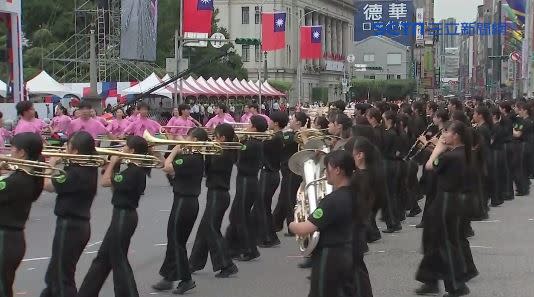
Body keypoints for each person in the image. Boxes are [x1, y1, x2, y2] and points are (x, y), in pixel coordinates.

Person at [78, 136, 149, 297]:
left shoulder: (134, 171)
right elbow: (115, 188)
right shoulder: (132, 169)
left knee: (119, 260)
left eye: (125, 147)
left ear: (131, 151)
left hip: (124, 216)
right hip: (122, 214)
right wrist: (111, 165)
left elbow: (104, 182)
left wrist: (112, 163)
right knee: (103, 259)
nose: (122, 149)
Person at [415, 120, 472, 297]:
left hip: (447, 202)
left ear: (456, 136)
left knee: (445, 243)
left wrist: (438, 147)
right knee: (433, 240)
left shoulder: (451, 156)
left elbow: (430, 165)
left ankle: (457, 284)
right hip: (451, 200)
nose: (443, 135)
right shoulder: (464, 153)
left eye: (447, 132)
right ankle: (430, 279)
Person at [289, 150, 356, 297]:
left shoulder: (332, 201)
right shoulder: (354, 193)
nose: (325, 172)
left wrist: (292, 224)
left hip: (329, 257)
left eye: (327, 168)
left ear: (337, 170)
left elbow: (304, 229)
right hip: (348, 252)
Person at [39, 132, 99, 297]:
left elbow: (47, 185)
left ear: (76, 151)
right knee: (53, 275)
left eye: (68, 146)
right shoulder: (85, 167)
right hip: (76, 225)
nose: (64, 148)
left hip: (71, 226)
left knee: (62, 278)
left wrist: (50, 164)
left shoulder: (76, 173)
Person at [152, 128, 208, 294]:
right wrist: (156, 153)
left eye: (187, 137)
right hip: (182, 201)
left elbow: (168, 167)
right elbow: (168, 166)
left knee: (177, 242)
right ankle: (168, 277)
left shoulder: (192, 158)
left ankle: (186, 279)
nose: (185, 139)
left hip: (186, 202)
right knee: (173, 239)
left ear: (195, 141)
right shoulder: (190, 158)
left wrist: (176, 147)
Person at [189, 123, 238, 278]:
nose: (212, 139)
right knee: (204, 229)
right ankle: (193, 263)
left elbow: (206, 171)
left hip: (218, 194)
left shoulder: (222, 153)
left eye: (215, 136)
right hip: (216, 194)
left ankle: (227, 264)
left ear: (222, 138)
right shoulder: (222, 151)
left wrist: (199, 151)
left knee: (211, 229)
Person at [0, 133, 44, 297]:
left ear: (22, 153)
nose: (9, 152)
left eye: (12, 148)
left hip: (5, 240)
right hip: (13, 239)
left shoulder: (17, 181)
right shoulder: (28, 177)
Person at [225, 116, 264, 261]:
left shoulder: (251, 143)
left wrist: (235, 142)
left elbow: (237, 159)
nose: (246, 126)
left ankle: (250, 249)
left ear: (254, 128)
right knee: (236, 215)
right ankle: (232, 247)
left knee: (241, 216)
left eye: (249, 124)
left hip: (247, 181)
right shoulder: (252, 141)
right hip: (246, 181)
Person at [351, 137, 382, 297]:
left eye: (353, 153)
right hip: (359, 227)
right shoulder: (367, 173)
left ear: (360, 155)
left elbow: (356, 205)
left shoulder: (361, 177)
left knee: (356, 271)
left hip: (354, 229)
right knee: (357, 271)